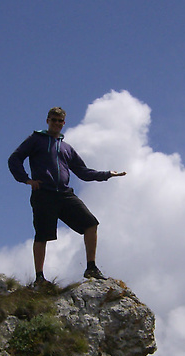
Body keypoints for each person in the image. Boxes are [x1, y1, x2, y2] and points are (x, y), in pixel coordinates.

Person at [8, 107, 126, 286]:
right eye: (53, 120)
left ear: (64, 123)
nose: (56, 123)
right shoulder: (36, 140)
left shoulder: (66, 148)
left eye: (59, 121)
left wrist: (107, 174)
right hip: (43, 194)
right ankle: (40, 278)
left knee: (90, 223)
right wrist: (26, 180)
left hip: (64, 193)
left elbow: (83, 172)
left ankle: (91, 267)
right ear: (47, 120)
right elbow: (15, 158)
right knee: (42, 235)